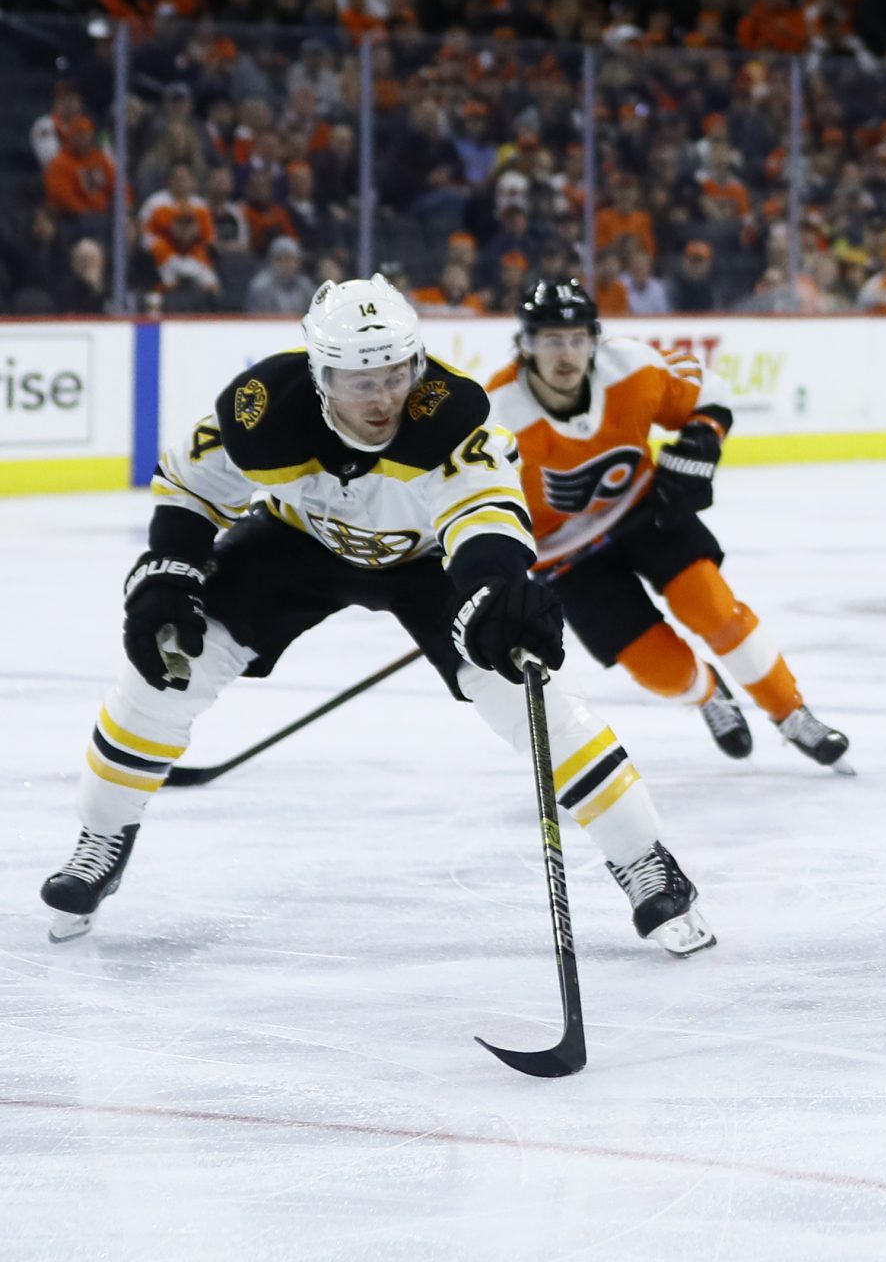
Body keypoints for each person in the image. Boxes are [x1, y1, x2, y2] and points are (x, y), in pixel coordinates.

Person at [40, 276, 715, 957]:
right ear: (320, 374)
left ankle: (644, 861)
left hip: (430, 563)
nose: (384, 397)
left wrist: (494, 591)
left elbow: (486, 518)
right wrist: (170, 566)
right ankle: (103, 836)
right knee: (163, 664)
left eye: (396, 375)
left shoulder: (452, 420)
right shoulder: (263, 411)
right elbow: (190, 488)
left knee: (530, 691)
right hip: (295, 546)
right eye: (361, 381)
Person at [485, 280, 851, 771]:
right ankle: (707, 693)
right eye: (551, 340)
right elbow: (474, 503)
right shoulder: (497, 418)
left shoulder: (631, 368)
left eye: (576, 338)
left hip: (645, 511)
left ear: (594, 339)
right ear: (525, 346)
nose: (566, 353)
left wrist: (702, 441)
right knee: (659, 670)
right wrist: (497, 574)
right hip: (563, 556)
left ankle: (791, 713)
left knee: (714, 608)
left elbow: (708, 394)